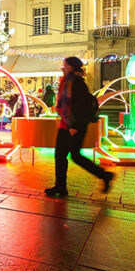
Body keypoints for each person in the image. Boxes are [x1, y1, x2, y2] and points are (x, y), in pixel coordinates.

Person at [45, 57, 114, 197]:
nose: (62, 66)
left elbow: (78, 106)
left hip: (74, 125)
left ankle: (104, 175)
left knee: (75, 156)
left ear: (71, 66)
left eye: (65, 64)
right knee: (59, 156)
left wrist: (74, 125)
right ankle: (60, 186)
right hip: (66, 124)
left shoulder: (76, 82)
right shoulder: (68, 80)